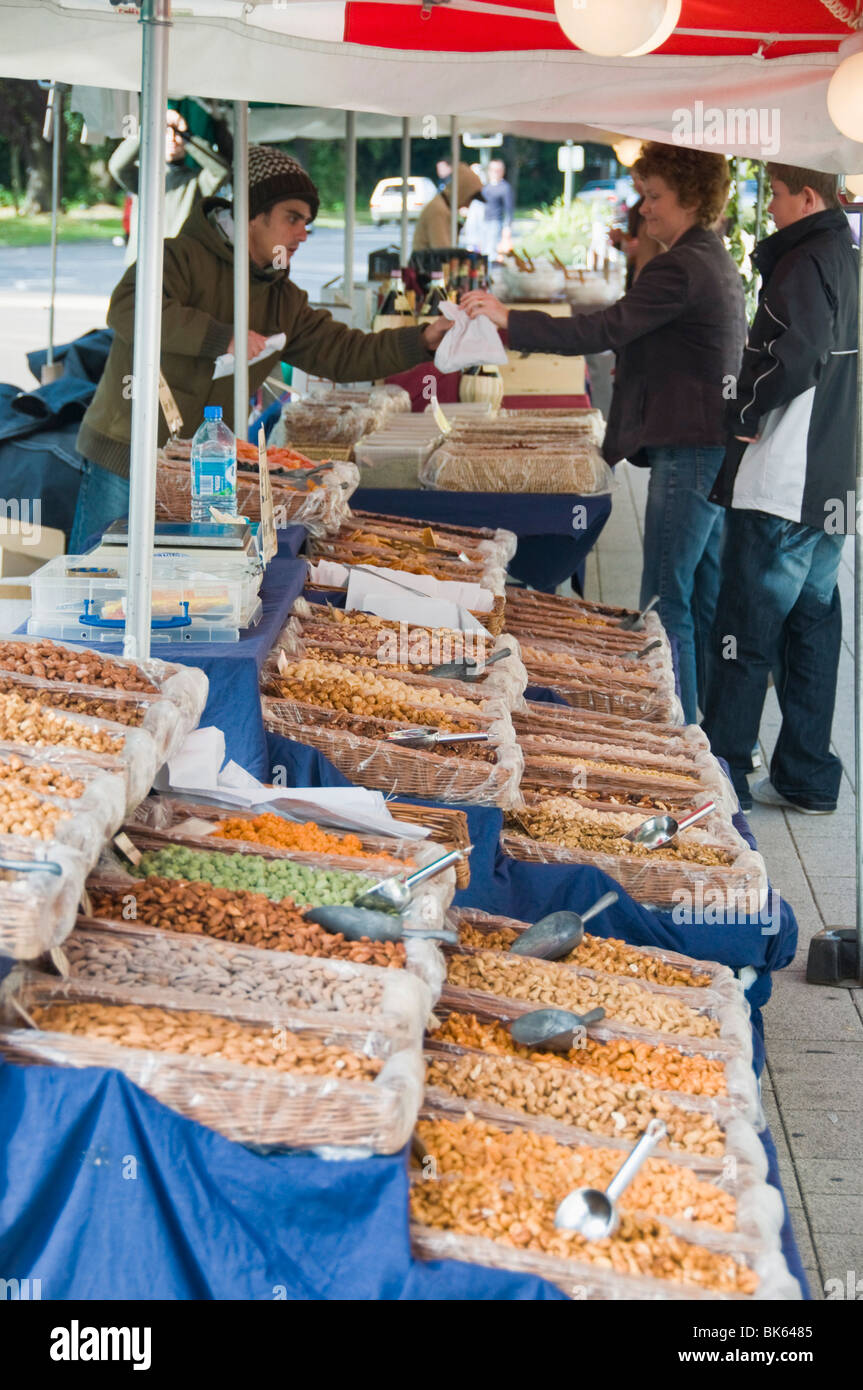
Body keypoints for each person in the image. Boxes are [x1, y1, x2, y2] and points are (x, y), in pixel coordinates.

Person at [461, 143, 746, 724]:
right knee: (702, 594)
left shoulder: (680, 265)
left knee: (667, 603)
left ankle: (678, 735)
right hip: (710, 445)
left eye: (654, 196)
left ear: (690, 198)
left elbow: (607, 326)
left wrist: (509, 319)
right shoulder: (706, 255)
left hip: (691, 448)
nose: (643, 210)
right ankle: (712, 734)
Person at [74, 146, 450, 550]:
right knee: (94, 575)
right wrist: (222, 337)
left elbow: (344, 351)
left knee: (179, 587)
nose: (303, 233)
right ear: (253, 214)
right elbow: (130, 307)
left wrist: (423, 339)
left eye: (307, 222)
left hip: (203, 469)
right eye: (293, 218)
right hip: (128, 451)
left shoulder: (281, 298)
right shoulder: (177, 256)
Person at [701, 165, 858, 813]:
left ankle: (723, 782)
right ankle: (805, 775)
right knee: (812, 625)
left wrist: (742, 413)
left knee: (745, 631)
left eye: (774, 194)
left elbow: (793, 356)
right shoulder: (848, 255)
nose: (767, 207)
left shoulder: (802, 260)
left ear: (807, 197)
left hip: (783, 479)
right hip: (834, 475)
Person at [109, 107, 232, 267]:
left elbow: (221, 170)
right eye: (166, 133)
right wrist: (152, 124)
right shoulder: (145, 177)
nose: (173, 139)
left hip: (178, 267)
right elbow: (117, 165)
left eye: (178, 135)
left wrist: (188, 137)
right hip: (140, 266)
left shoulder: (197, 182)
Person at [412, 163, 484, 252]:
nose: (468, 204)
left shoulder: (442, 207)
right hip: (426, 264)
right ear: (462, 192)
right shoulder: (438, 210)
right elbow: (443, 251)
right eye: (469, 198)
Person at [481, 158, 514, 262]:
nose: (495, 173)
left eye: (498, 170)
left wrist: (507, 228)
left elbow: (509, 210)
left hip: (495, 223)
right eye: (493, 170)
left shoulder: (505, 188)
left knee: (491, 252)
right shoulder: (485, 187)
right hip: (483, 223)